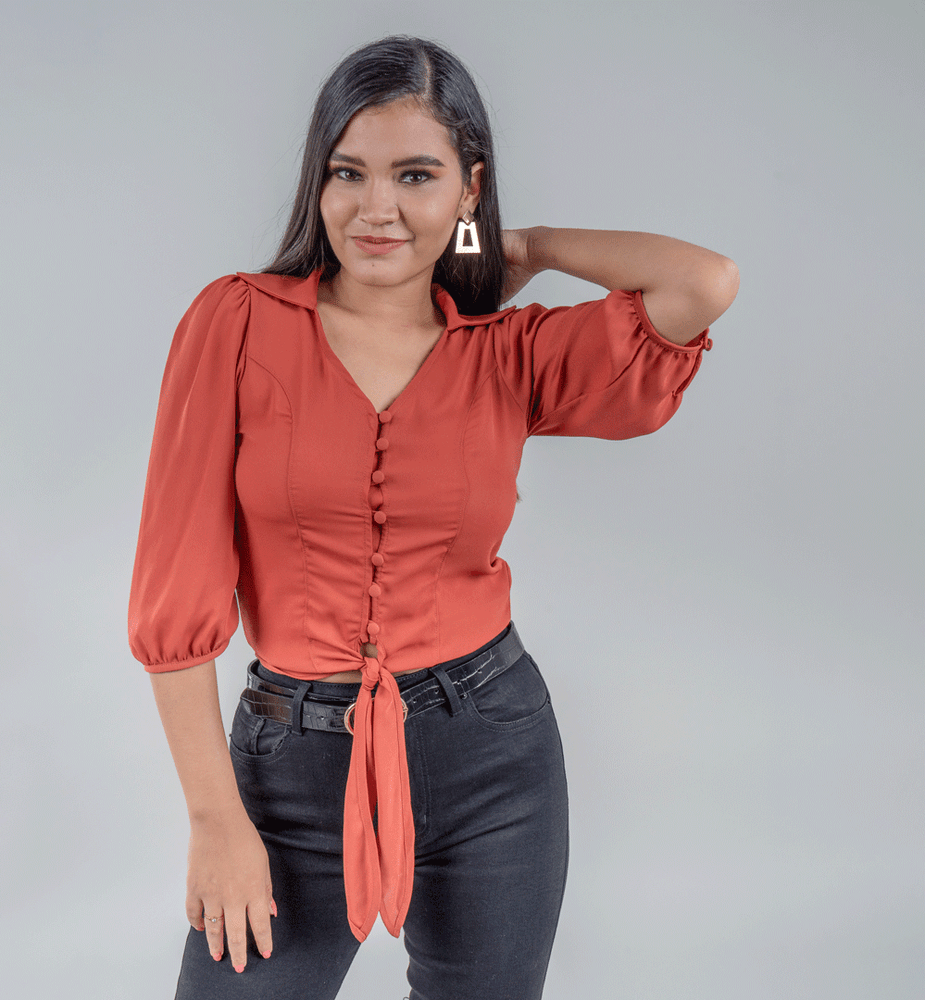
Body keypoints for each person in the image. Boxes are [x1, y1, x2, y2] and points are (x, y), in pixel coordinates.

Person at [128, 34, 738, 1000]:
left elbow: (703, 283)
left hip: (492, 754)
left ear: (468, 187)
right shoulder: (237, 324)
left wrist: (518, 247)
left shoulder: (507, 353)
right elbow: (175, 592)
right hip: (293, 767)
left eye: (416, 175)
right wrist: (215, 821)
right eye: (348, 172)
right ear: (318, 180)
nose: (376, 208)